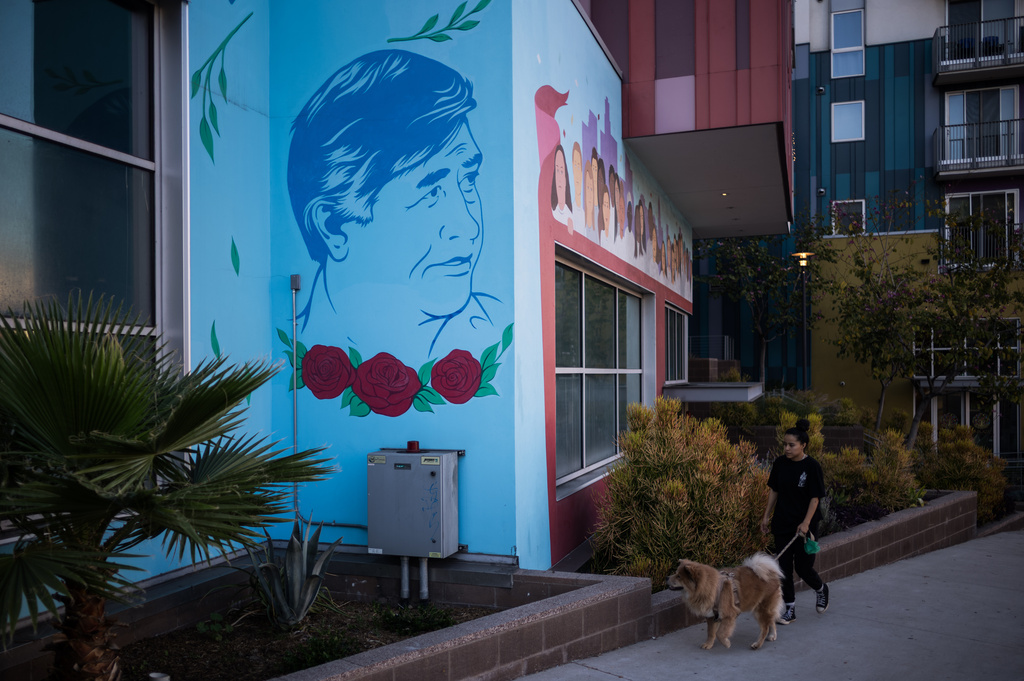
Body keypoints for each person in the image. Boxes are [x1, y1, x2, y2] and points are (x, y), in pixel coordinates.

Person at [287, 49, 495, 359]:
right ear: (333, 227)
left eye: (468, 180)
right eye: (430, 191)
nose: (470, 226)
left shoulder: (493, 331)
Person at [760, 418, 830, 624]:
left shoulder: (812, 466)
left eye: (791, 445)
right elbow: (774, 490)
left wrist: (806, 523)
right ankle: (789, 609)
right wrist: (766, 516)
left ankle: (821, 588)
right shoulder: (780, 463)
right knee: (783, 568)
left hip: (804, 525)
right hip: (782, 522)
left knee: (803, 568)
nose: (787, 448)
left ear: (803, 445)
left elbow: (815, 498)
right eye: (785, 444)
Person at [551, 144, 574, 231]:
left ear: (565, 178)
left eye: (561, 171)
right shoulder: (552, 212)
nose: (559, 178)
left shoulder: (570, 217)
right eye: (557, 170)